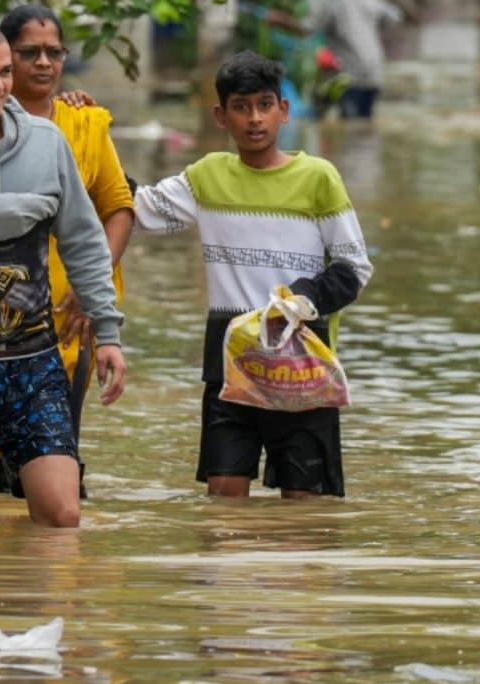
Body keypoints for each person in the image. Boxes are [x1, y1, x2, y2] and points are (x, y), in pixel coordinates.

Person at [131, 51, 373, 499]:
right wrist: (77, 132)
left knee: (305, 504)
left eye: (265, 105)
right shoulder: (206, 177)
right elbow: (137, 207)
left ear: (284, 111)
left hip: (301, 364)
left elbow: (354, 267)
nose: (255, 119)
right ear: (222, 116)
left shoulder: (319, 178)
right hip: (229, 364)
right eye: (242, 107)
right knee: (223, 497)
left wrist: (302, 299)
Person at [0, 20, 127, 527]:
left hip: (33, 366)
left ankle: (50, 608)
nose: (0, 85)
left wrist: (109, 333)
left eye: (5, 73)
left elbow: (82, 239)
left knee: (62, 515)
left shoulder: (45, 143)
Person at [0, 4, 134, 494]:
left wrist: (88, 285)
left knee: (54, 450)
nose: (42, 63)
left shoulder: (86, 122)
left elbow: (118, 208)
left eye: (53, 53)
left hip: (69, 316)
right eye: (28, 52)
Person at [307, 0, 402, 119]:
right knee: (363, 124)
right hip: (375, 73)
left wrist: (280, 21)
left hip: (350, 76)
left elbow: (309, 28)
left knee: (344, 125)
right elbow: (395, 17)